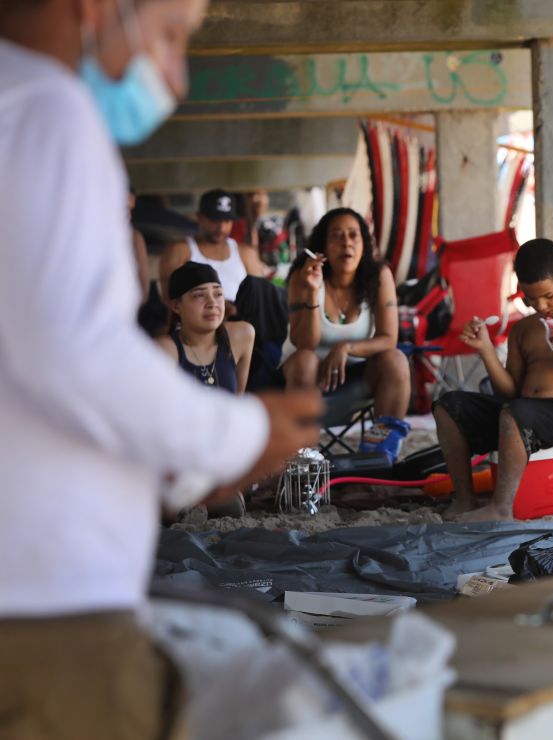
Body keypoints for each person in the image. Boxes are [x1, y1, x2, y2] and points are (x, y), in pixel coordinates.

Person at [0, 1, 322, 737]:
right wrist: (240, 437)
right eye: (172, 37)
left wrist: (180, 470)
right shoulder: (50, 109)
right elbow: (75, 356)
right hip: (42, 606)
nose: (175, 79)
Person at [434, 238, 553, 521]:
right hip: (521, 412)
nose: (541, 305)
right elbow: (509, 390)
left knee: (516, 414)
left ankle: (501, 508)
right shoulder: (523, 329)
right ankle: (464, 498)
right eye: (530, 298)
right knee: (448, 406)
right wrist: (486, 350)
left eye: (549, 295)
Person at [283, 207, 411, 463]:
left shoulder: (378, 276)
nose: (346, 243)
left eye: (354, 235)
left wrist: (345, 347)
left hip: (356, 375)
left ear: (364, 244)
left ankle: (377, 458)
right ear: (323, 246)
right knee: (306, 359)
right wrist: (311, 293)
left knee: (395, 360)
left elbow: (388, 338)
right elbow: (304, 343)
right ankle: (307, 462)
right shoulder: (303, 276)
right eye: (337, 236)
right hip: (306, 377)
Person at [159, 187, 268, 314]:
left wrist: (236, 310)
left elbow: (260, 299)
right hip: (194, 330)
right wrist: (216, 308)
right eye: (215, 220)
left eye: (227, 221)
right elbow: (170, 301)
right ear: (199, 217)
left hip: (239, 326)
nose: (221, 227)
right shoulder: (179, 250)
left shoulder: (246, 253)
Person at [156, 262, 255, 395]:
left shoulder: (241, 336)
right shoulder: (165, 349)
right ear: (176, 306)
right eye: (199, 295)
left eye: (218, 294)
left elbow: (236, 402)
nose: (212, 303)